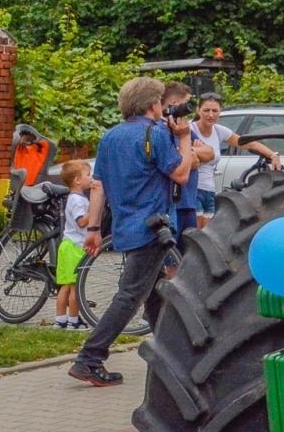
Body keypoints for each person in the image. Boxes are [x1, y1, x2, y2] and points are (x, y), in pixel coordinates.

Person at [69, 76, 197, 387]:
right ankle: (89, 358)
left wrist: (95, 228)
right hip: (152, 227)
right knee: (129, 296)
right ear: (154, 104)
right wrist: (183, 138)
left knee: (152, 294)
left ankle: (168, 356)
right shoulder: (156, 134)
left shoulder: (110, 137)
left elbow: (98, 186)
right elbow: (180, 174)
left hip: (126, 226)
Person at [191, 93, 283, 228]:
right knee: (195, 231)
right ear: (198, 110)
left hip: (209, 190)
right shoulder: (189, 130)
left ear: (219, 112)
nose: (210, 115)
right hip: (193, 189)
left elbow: (247, 143)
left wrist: (273, 155)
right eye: (206, 110)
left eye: (215, 111)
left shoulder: (218, 131)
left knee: (206, 232)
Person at [162, 82, 215, 257]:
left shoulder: (182, 128)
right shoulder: (162, 130)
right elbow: (177, 163)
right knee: (171, 256)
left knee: (188, 255)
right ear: (174, 104)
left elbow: (209, 153)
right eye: (186, 104)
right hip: (172, 205)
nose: (188, 110)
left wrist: (190, 154)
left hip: (188, 202)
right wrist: (190, 157)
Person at [53, 159, 92, 331]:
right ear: (77, 180)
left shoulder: (72, 198)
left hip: (66, 245)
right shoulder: (78, 200)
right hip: (76, 247)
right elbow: (82, 222)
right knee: (76, 287)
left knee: (65, 286)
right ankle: (73, 321)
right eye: (88, 175)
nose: (90, 178)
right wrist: (93, 211)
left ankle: (60, 320)